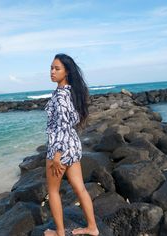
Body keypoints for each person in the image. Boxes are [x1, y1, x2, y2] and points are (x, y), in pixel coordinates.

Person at [44, 53, 99, 236]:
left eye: (56, 68)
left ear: (66, 72)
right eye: (51, 67)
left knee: (53, 190)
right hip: (73, 145)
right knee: (79, 187)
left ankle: (59, 233)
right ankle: (92, 227)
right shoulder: (72, 93)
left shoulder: (60, 96)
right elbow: (72, 122)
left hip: (60, 147)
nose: (52, 71)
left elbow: (62, 126)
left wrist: (57, 154)